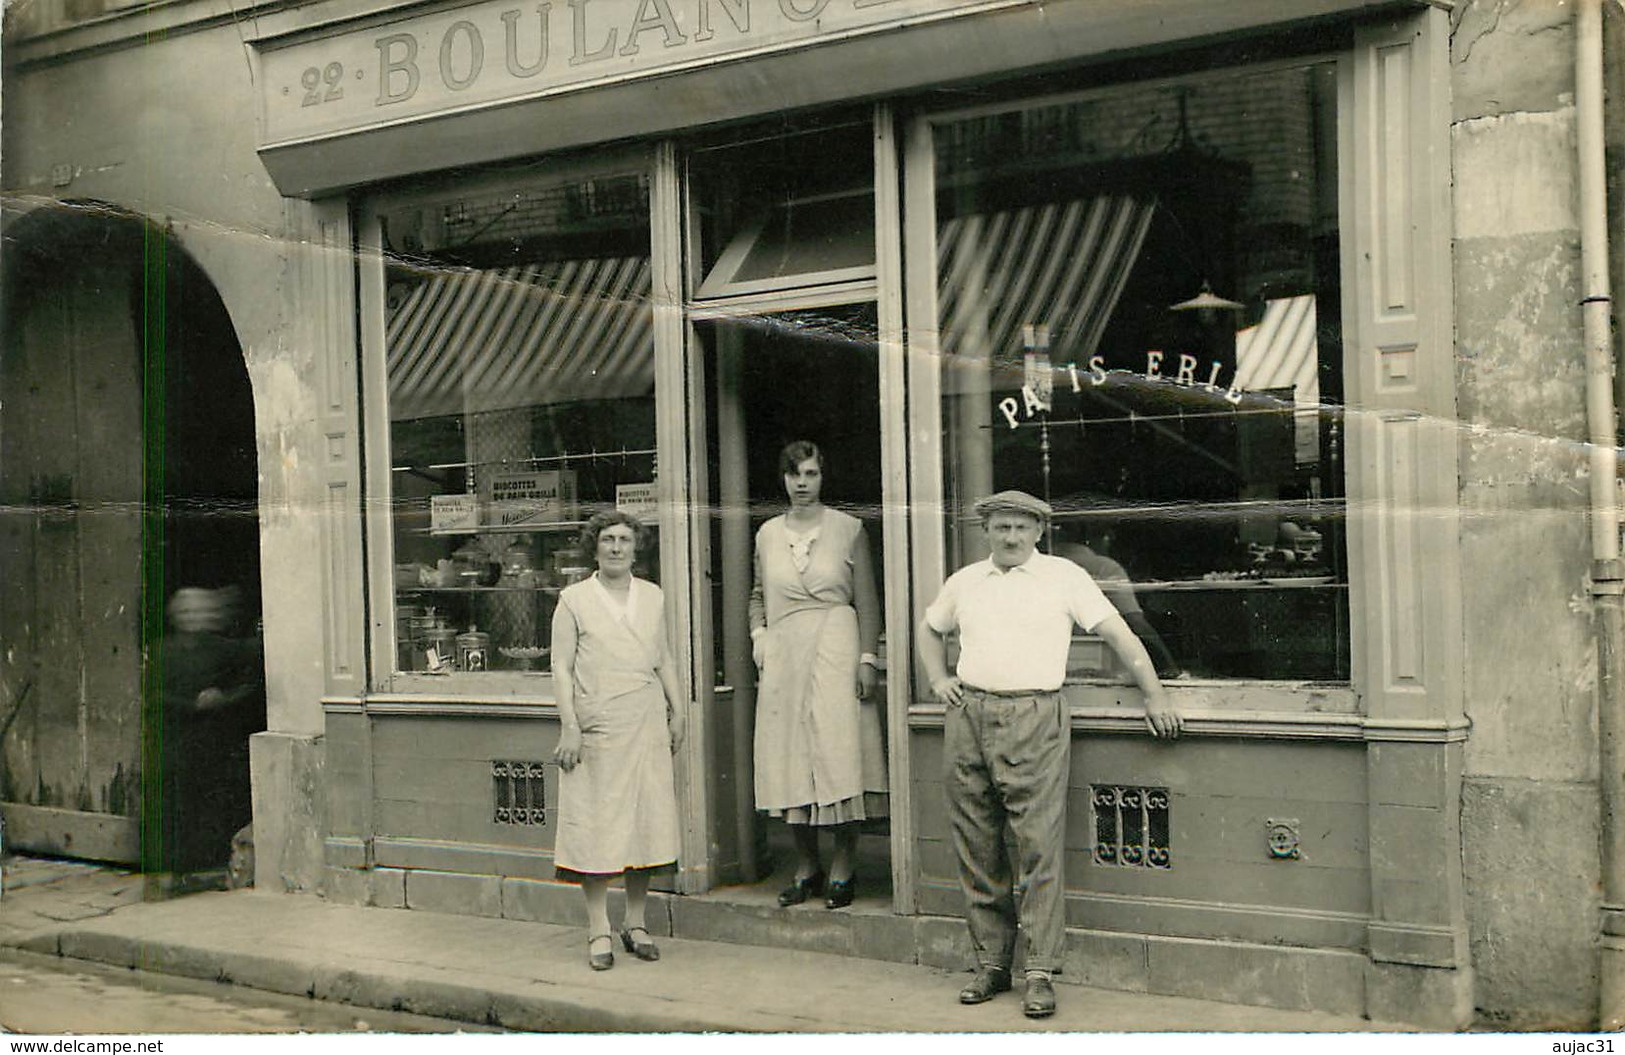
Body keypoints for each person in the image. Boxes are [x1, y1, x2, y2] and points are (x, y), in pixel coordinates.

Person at [917, 490, 1182, 1019]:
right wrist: (938, 677)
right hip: (970, 715)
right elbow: (929, 627)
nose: (1010, 537)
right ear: (985, 531)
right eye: (1000, 527)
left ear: (1039, 531)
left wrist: (1154, 692)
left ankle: (1038, 971)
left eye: (1021, 527)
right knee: (977, 844)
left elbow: (1119, 632)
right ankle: (991, 964)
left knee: (1037, 846)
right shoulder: (965, 582)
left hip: (1035, 716)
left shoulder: (1065, 577)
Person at [750, 440, 884, 910]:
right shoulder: (767, 534)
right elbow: (757, 595)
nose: (801, 484)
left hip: (835, 643)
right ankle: (806, 864)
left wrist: (867, 658)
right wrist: (758, 635)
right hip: (784, 651)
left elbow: (867, 601)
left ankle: (845, 862)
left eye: (810, 474)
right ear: (782, 479)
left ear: (823, 476)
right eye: (793, 476)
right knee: (789, 754)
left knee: (836, 751)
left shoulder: (848, 529)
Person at [551, 510, 687, 971]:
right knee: (598, 823)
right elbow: (561, 668)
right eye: (607, 539)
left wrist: (678, 708)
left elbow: (663, 656)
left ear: (635, 547)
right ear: (594, 547)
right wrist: (570, 724)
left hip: (646, 720)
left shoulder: (652, 597)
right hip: (598, 725)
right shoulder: (573, 600)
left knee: (643, 820)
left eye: (624, 540)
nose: (615, 547)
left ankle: (635, 923)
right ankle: (598, 929)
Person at [158, 586, 265, 882]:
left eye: (200, 611)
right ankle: (179, 867)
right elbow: (153, 694)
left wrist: (225, 698)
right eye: (187, 612)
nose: (194, 617)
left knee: (215, 801)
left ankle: (214, 863)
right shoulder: (162, 652)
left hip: (215, 740)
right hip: (178, 740)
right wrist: (191, 704)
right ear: (175, 617)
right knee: (180, 803)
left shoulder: (224, 649)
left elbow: (252, 679)